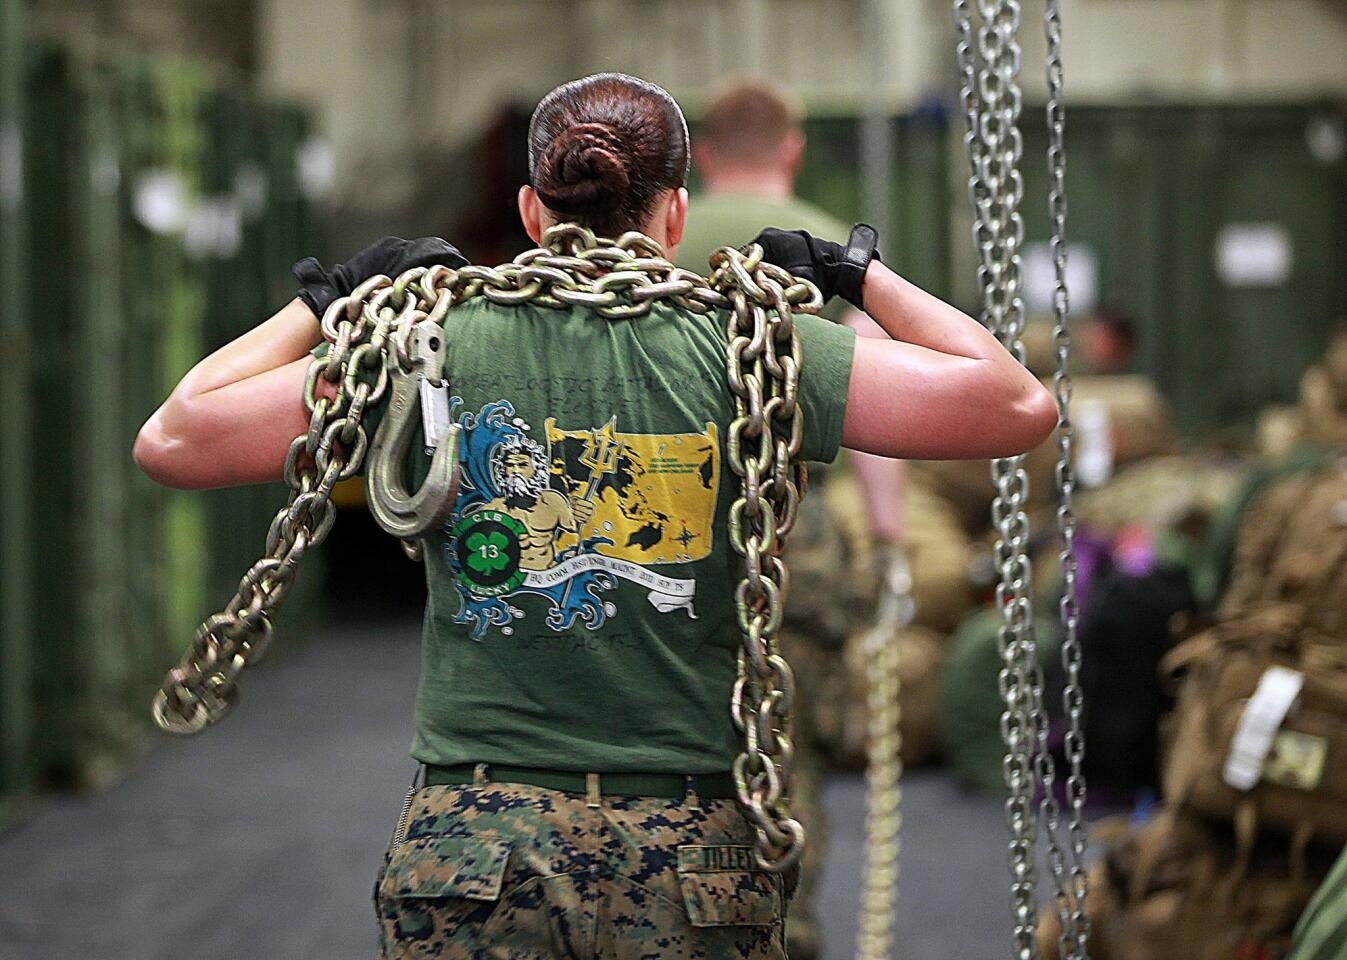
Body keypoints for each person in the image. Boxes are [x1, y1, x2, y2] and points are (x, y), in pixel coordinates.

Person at [134, 73, 1055, 959]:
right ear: (676, 214)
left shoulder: (426, 351)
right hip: (692, 855)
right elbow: (1014, 405)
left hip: (479, 851)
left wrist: (323, 301)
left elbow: (176, 438)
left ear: (531, 212)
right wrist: (862, 275)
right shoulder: (759, 350)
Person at [678, 80, 907, 958]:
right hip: (789, 537)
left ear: (699, 157)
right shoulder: (827, 243)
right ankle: (783, 932)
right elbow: (877, 415)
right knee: (787, 758)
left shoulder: (655, 237)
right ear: (791, 148)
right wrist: (885, 544)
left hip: (658, 522)